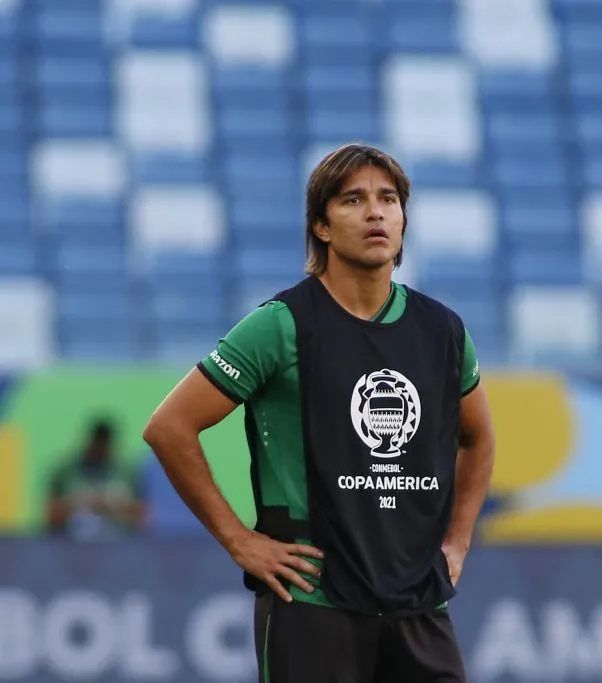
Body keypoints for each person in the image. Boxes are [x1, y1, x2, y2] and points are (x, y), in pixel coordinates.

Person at [142, 143, 497, 682]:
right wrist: (241, 541)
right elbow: (169, 427)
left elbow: (479, 439)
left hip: (419, 603)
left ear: (403, 220)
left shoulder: (443, 332)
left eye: (388, 199)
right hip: (312, 603)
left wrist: (459, 539)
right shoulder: (281, 325)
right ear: (322, 227)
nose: (375, 212)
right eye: (353, 200)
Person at [47, 418, 148, 539]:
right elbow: (51, 514)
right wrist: (81, 503)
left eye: (104, 445)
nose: (100, 450)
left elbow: (141, 513)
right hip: (73, 545)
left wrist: (110, 504)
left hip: (117, 545)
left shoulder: (126, 473)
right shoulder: (66, 472)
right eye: (97, 444)